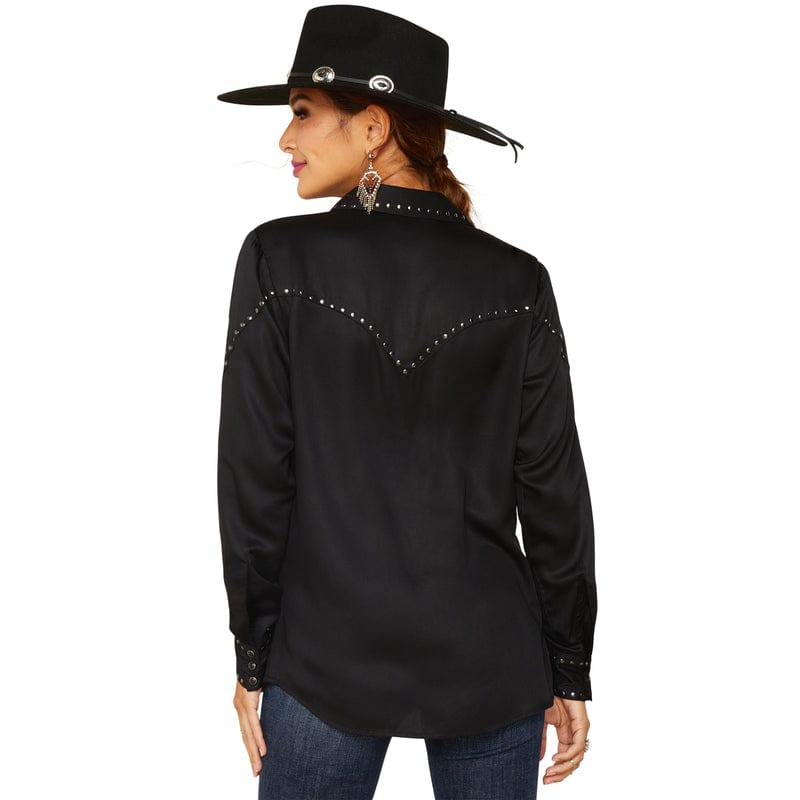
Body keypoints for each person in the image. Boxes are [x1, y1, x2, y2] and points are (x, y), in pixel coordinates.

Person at [216, 6, 598, 799]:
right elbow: (553, 493)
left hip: (322, 662)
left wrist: (253, 656)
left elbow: (255, 479)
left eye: (301, 113)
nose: (285, 139)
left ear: (373, 128)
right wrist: (568, 664)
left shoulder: (278, 260)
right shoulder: (517, 280)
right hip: (493, 662)